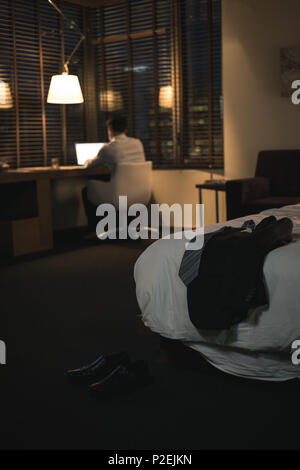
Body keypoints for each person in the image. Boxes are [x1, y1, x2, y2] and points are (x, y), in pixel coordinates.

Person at [82, 113, 145, 235]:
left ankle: (95, 232)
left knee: (87, 189)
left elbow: (90, 165)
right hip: (140, 193)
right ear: (125, 129)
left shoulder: (108, 148)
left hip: (120, 194)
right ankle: (125, 228)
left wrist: (85, 161)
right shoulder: (138, 143)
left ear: (109, 129)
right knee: (115, 187)